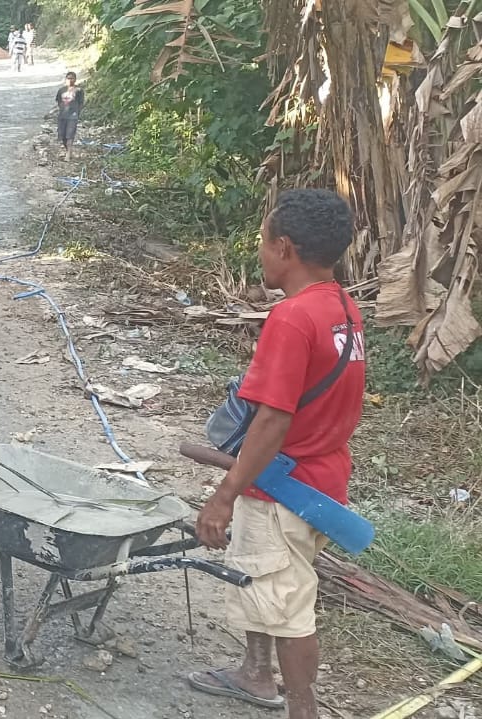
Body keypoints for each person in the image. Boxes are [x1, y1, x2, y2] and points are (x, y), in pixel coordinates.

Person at [187, 189, 364, 719]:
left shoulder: (291, 319)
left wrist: (223, 497)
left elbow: (273, 419)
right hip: (321, 477)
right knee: (264, 582)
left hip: (282, 486)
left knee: (288, 607)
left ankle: (302, 710)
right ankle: (255, 674)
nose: (259, 253)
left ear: (284, 248)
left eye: (263, 243)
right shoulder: (342, 307)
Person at [56, 71, 85, 161]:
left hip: (73, 116)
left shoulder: (79, 90)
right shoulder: (61, 90)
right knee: (62, 136)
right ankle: (68, 151)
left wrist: (77, 112)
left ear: (75, 79)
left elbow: (81, 103)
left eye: (72, 78)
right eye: (68, 78)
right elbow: (58, 101)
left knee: (70, 135)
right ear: (66, 79)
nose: (70, 80)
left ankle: (68, 154)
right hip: (62, 115)